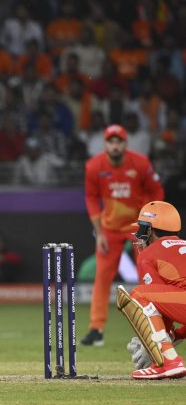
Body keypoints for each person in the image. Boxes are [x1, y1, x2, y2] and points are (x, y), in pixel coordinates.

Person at [83, 124, 164, 346]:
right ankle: (96, 329)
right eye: (111, 141)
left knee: (147, 277)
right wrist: (98, 233)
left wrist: (149, 227)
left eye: (119, 142)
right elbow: (91, 199)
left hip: (137, 228)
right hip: (109, 230)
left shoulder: (140, 163)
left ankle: (154, 326)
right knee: (102, 279)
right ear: (105, 144)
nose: (115, 145)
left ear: (125, 144)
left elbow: (157, 192)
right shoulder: (94, 166)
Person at [121, 201, 186, 379]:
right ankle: (166, 359)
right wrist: (175, 335)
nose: (139, 234)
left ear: (150, 230)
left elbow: (160, 309)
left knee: (139, 294)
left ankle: (168, 361)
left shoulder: (148, 255)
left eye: (142, 228)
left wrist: (151, 344)